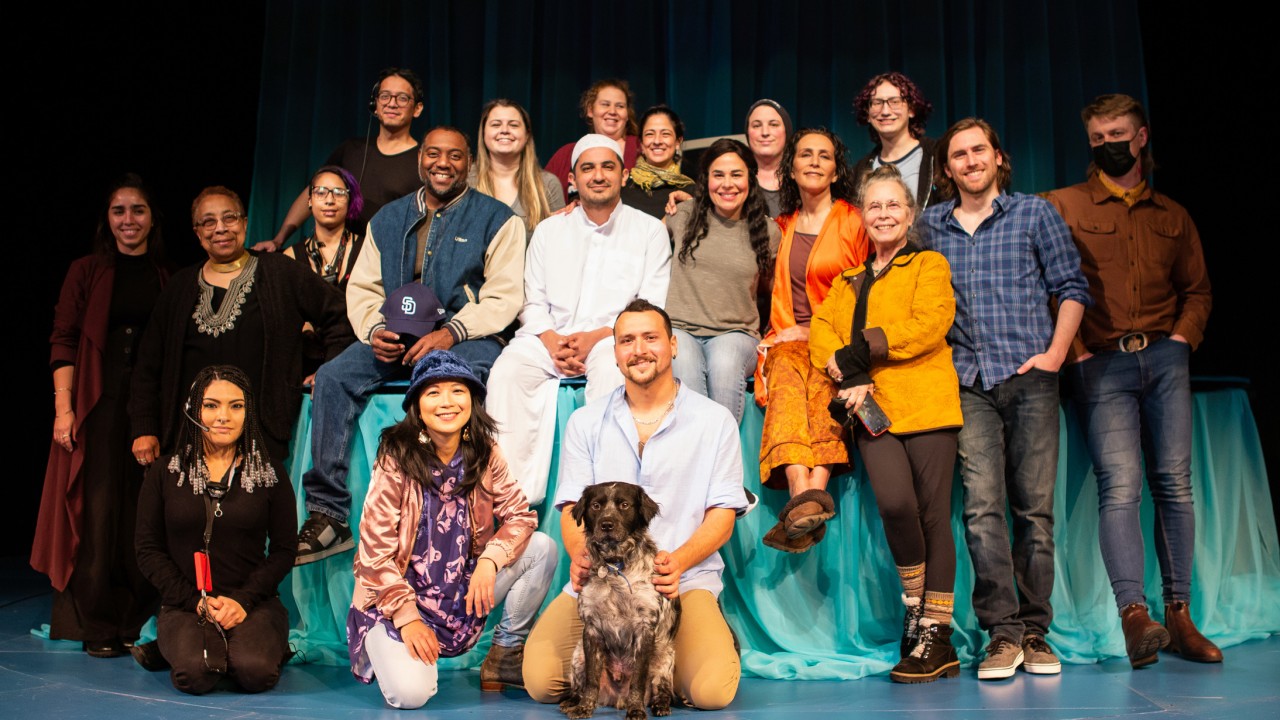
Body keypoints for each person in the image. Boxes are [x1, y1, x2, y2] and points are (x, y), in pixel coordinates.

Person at [296, 126, 526, 565]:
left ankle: (457, 507)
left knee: (451, 380)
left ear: (469, 163)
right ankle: (328, 515)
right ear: (420, 159)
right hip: (397, 337)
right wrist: (374, 331)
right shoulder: (388, 218)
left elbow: (504, 297)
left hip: (469, 336)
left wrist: (451, 332)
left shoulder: (498, 219)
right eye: (434, 154)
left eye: (455, 156)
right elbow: (364, 288)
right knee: (332, 377)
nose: (443, 163)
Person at [1046, 94, 1218, 667]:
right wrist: (1074, 353)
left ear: (1141, 137)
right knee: (1120, 485)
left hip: (1165, 359)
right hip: (1101, 363)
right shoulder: (1064, 205)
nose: (1108, 145)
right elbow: (1045, 283)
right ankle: (1134, 617)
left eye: (1117, 135)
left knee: (1174, 483)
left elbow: (1198, 291)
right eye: (1097, 138)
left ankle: (1180, 616)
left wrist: (1181, 341)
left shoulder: (1172, 214)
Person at [919, 118, 1091, 680]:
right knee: (981, 510)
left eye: (979, 151)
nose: (970, 161)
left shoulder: (1034, 214)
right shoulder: (930, 226)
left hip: (1030, 377)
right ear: (947, 168)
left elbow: (1071, 287)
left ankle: (1036, 631)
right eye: (959, 155)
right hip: (967, 383)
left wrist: (1055, 354)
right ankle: (1003, 633)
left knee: (1034, 511)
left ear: (997, 157)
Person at [523, 299, 747, 711]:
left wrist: (677, 563)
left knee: (711, 691)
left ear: (673, 346)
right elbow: (571, 508)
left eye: (650, 338)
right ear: (615, 353)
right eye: (627, 340)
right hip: (603, 583)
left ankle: (689, 646)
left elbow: (723, 515)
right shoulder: (586, 422)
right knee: (542, 683)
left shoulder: (716, 421)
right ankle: (641, 674)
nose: (639, 349)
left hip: (681, 584)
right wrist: (581, 556)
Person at [810, 165, 961, 682]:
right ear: (862, 216)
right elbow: (821, 332)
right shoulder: (847, 280)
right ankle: (915, 609)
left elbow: (931, 323)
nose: (883, 214)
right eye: (874, 206)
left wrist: (859, 351)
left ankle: (937, 635)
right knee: (896, 505)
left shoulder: (928, 264)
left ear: (910, 213)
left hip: (927, 403)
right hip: (870, 407)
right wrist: (848, 371)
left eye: (893, 204)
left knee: (934, 515)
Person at [347, 350, 558, 709]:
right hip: (396, 603)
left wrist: (490, 560)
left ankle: (505, 653)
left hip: (463, 591)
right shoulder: (395, 455)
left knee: (542, 549)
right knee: (411, 695)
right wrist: (408, 619)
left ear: (472, 401)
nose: (447, 402)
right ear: (417, 407)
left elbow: (520, 517)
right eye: (433, 392)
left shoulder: (485, 451)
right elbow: (374, 551)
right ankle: (389, 647)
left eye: (457, 391)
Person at [486, 134, 671, 505]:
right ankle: (513, 501)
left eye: (607, 167)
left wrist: (598, 337)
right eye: (588, 168)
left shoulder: (649, 230)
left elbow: (650, 306)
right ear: (572, 179)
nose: (598, 176)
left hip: (614, 339)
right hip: (547, 339)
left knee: (614, 372)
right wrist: (551, 340)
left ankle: (610, 497)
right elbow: (532, 301)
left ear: (624, 175)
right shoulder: (549, 230)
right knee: (507, 372)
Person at [32, 174, 168, 658]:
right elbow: (64, 337)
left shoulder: (166, 275)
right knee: (97, 512)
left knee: (141, 512)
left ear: (152, 217)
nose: (128, 220)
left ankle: (135, 619)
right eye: (119, 210)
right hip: (96, 404)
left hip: (149, 409)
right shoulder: (86, 270)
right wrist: (63, 408)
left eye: (138, 210)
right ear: (107, 219)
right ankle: (97, 622)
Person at [129, 186, 353, 466]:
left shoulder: (280, 272)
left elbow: (341, 316)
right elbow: (148, 365)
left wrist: (330, 369)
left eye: (229, 218)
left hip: (261, 440)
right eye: (208, 222)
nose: (220, 228)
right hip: (187, 439)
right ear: (197, 233)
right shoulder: (179, 287)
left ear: (245, 223)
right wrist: (144, 427)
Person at [134, 365, 297, 694]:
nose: (223, 416)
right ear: (194, 410)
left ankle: (265, 645)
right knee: (196, 675)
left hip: (253, 602)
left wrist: (243, 601)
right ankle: (177, 645)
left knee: (255, 672)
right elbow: (148, 550)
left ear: (248, 412)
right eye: (211, 405)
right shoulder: (164, 473)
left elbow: (284, 550)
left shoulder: (270, 473)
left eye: (236, 406)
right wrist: (194, 602)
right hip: (186, 603)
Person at [756, 128, 869, 553]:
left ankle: (802, 501)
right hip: (785, 338)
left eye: (825, 155)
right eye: (806, 154)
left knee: (823, 385)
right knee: (787, 380)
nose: (815, 161)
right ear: (791, 167)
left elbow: (866, 293)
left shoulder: (854, 221)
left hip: (837, 340)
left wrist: (814, 331)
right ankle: (808, 497)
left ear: (837, 170)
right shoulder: (780, 226)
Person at [666, 138, 779, 423]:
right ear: (706, 180)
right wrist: (577, 207)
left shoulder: (768, 231)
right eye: (718, 175)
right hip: (681, 329)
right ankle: (702, 451)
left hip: (736, 333)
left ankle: (720, 449)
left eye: (736, 174)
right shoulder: (683, 215)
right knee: (686, 369)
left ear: (750, 179)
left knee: (724, 364)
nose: (727, 184)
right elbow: (639, 236)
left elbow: (774, 290)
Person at [258, 68, 425, 250]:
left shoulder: (422, 162)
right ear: (375, 105)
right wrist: (279, 240)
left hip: (387, 259)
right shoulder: (351, 149)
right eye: (385, 96)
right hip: (339, 256)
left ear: (417, 109)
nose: (392, 104)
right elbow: (313, 192)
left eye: (402, 98)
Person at [283, 165, 367, 379]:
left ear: (350, 200)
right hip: (304, 360)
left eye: (339, 193)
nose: (330, 200)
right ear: (309, 200)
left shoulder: (368, 250)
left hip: (355, 356)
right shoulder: (290, 257)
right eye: (321, 192)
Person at [469, 98, 565, 237]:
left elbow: (558, 241)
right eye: (496, 124)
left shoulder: (548, 184)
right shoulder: (465, 181)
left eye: (513, 125)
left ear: (527, 134)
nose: (504, 130)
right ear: (483, 133)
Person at [543, 79, 642, 201]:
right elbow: (541, 197)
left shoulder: (643, 149)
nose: (612, 111)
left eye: (620, 106)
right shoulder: (566, 154)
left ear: (627, 114)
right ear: (590, 110)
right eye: (605, 104)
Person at [851, 72, 938, 208]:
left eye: (895, 102)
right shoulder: (859, 171)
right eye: (877, 103)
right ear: (867, 114)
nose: (885, 111)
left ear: (911, 109)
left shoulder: (937, 156)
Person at [620, 105, 695, 219]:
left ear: (678, 142)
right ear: (641, 143)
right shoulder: (623, 186)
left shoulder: (690, 191)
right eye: (650, 134)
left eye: (665, 134)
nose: (657, 141)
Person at [744, 99, 794, 218]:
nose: (765, 132)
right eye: (757, 125)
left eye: (773, 125)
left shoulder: (802, 180)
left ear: (786, 131)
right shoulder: (736, 181)